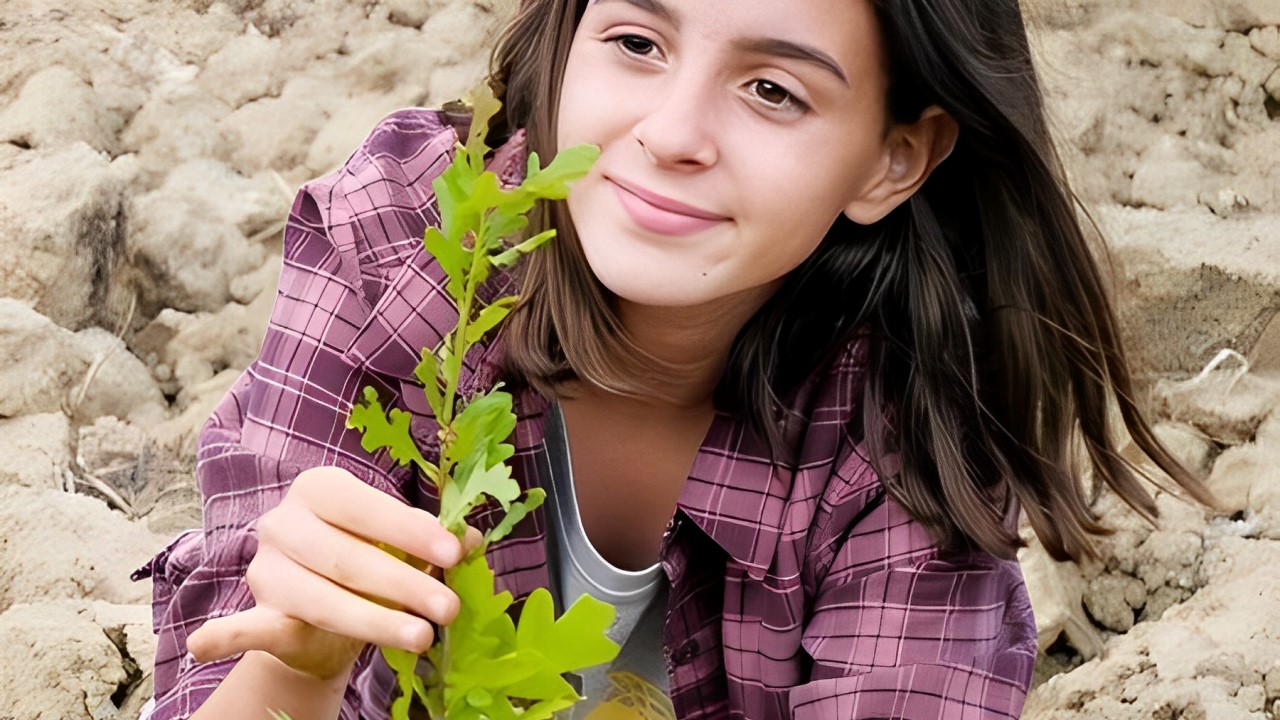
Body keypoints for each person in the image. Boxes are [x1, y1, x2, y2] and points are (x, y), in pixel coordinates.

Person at [133, 0, 1215, 718]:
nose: (671, 131)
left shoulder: (908, 420)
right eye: (637, 43)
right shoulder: (401, 246)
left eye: (772, 91)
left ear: (893, 158)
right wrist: (293, 671)